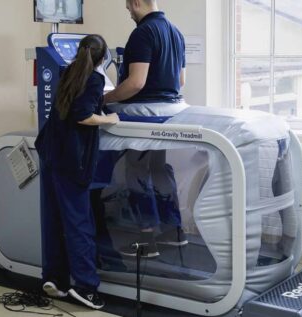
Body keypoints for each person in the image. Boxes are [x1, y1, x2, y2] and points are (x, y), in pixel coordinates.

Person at [35, 34, 119, 310]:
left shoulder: (68, 72)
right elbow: (83, 115)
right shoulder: (94, 80)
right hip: (72, 162)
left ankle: (55, 279)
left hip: (51, 155)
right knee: (79, 223)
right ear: (102, 58)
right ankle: (85, 287)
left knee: (54, 220)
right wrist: (109, 118)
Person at [103, 0, 188, 257]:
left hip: (146, 113)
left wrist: (104, 99)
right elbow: (180, 80)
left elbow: (136, 83)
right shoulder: (175, 31)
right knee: (159, 167)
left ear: (137, 2)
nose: (128, 11)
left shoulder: (142, 32)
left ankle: (146, 239)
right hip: (172, 111)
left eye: (128, 6)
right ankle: (174, 232)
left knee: (137, 170)